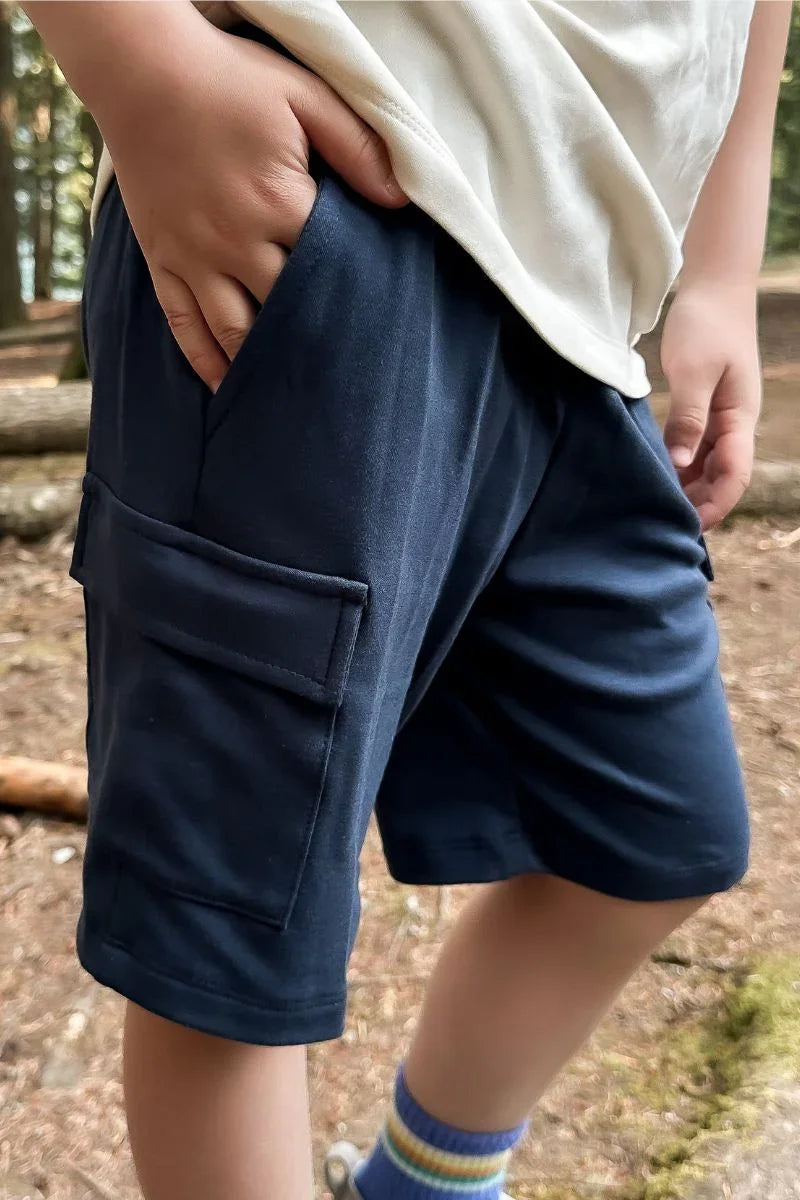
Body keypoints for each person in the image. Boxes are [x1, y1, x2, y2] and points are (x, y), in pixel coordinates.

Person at [23, 3, 791, 1198]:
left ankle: (420, 1186)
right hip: (330, 201)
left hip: (594, 300)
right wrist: (136, 59)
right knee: (231, 948)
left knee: (656, 837)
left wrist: (722, 269)